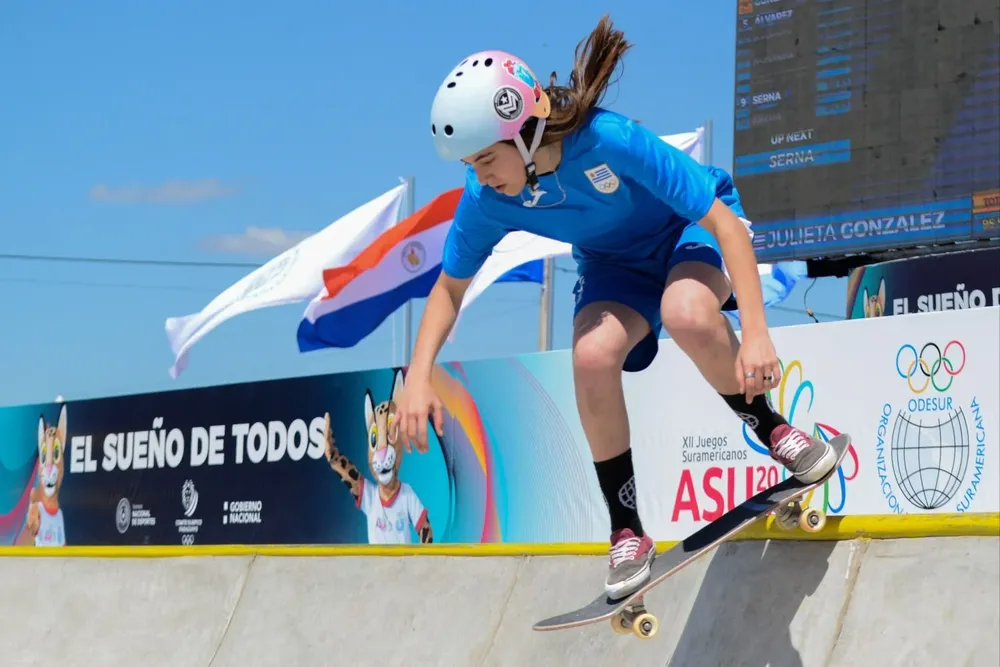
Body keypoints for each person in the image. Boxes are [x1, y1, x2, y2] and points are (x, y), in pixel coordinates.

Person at [396, 14, 840, 600]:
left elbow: (726, 226)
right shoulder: (488, 199)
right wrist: (418, 375)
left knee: (685, 310)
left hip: (688, 234)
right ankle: (627, 530)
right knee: (592, 354)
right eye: (469, 166)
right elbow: (449, 289)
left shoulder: (611, 142)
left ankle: (775, 431)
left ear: (526, 131)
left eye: (483, 159)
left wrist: (756, 334)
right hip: (615, 265)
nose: (478, 177)